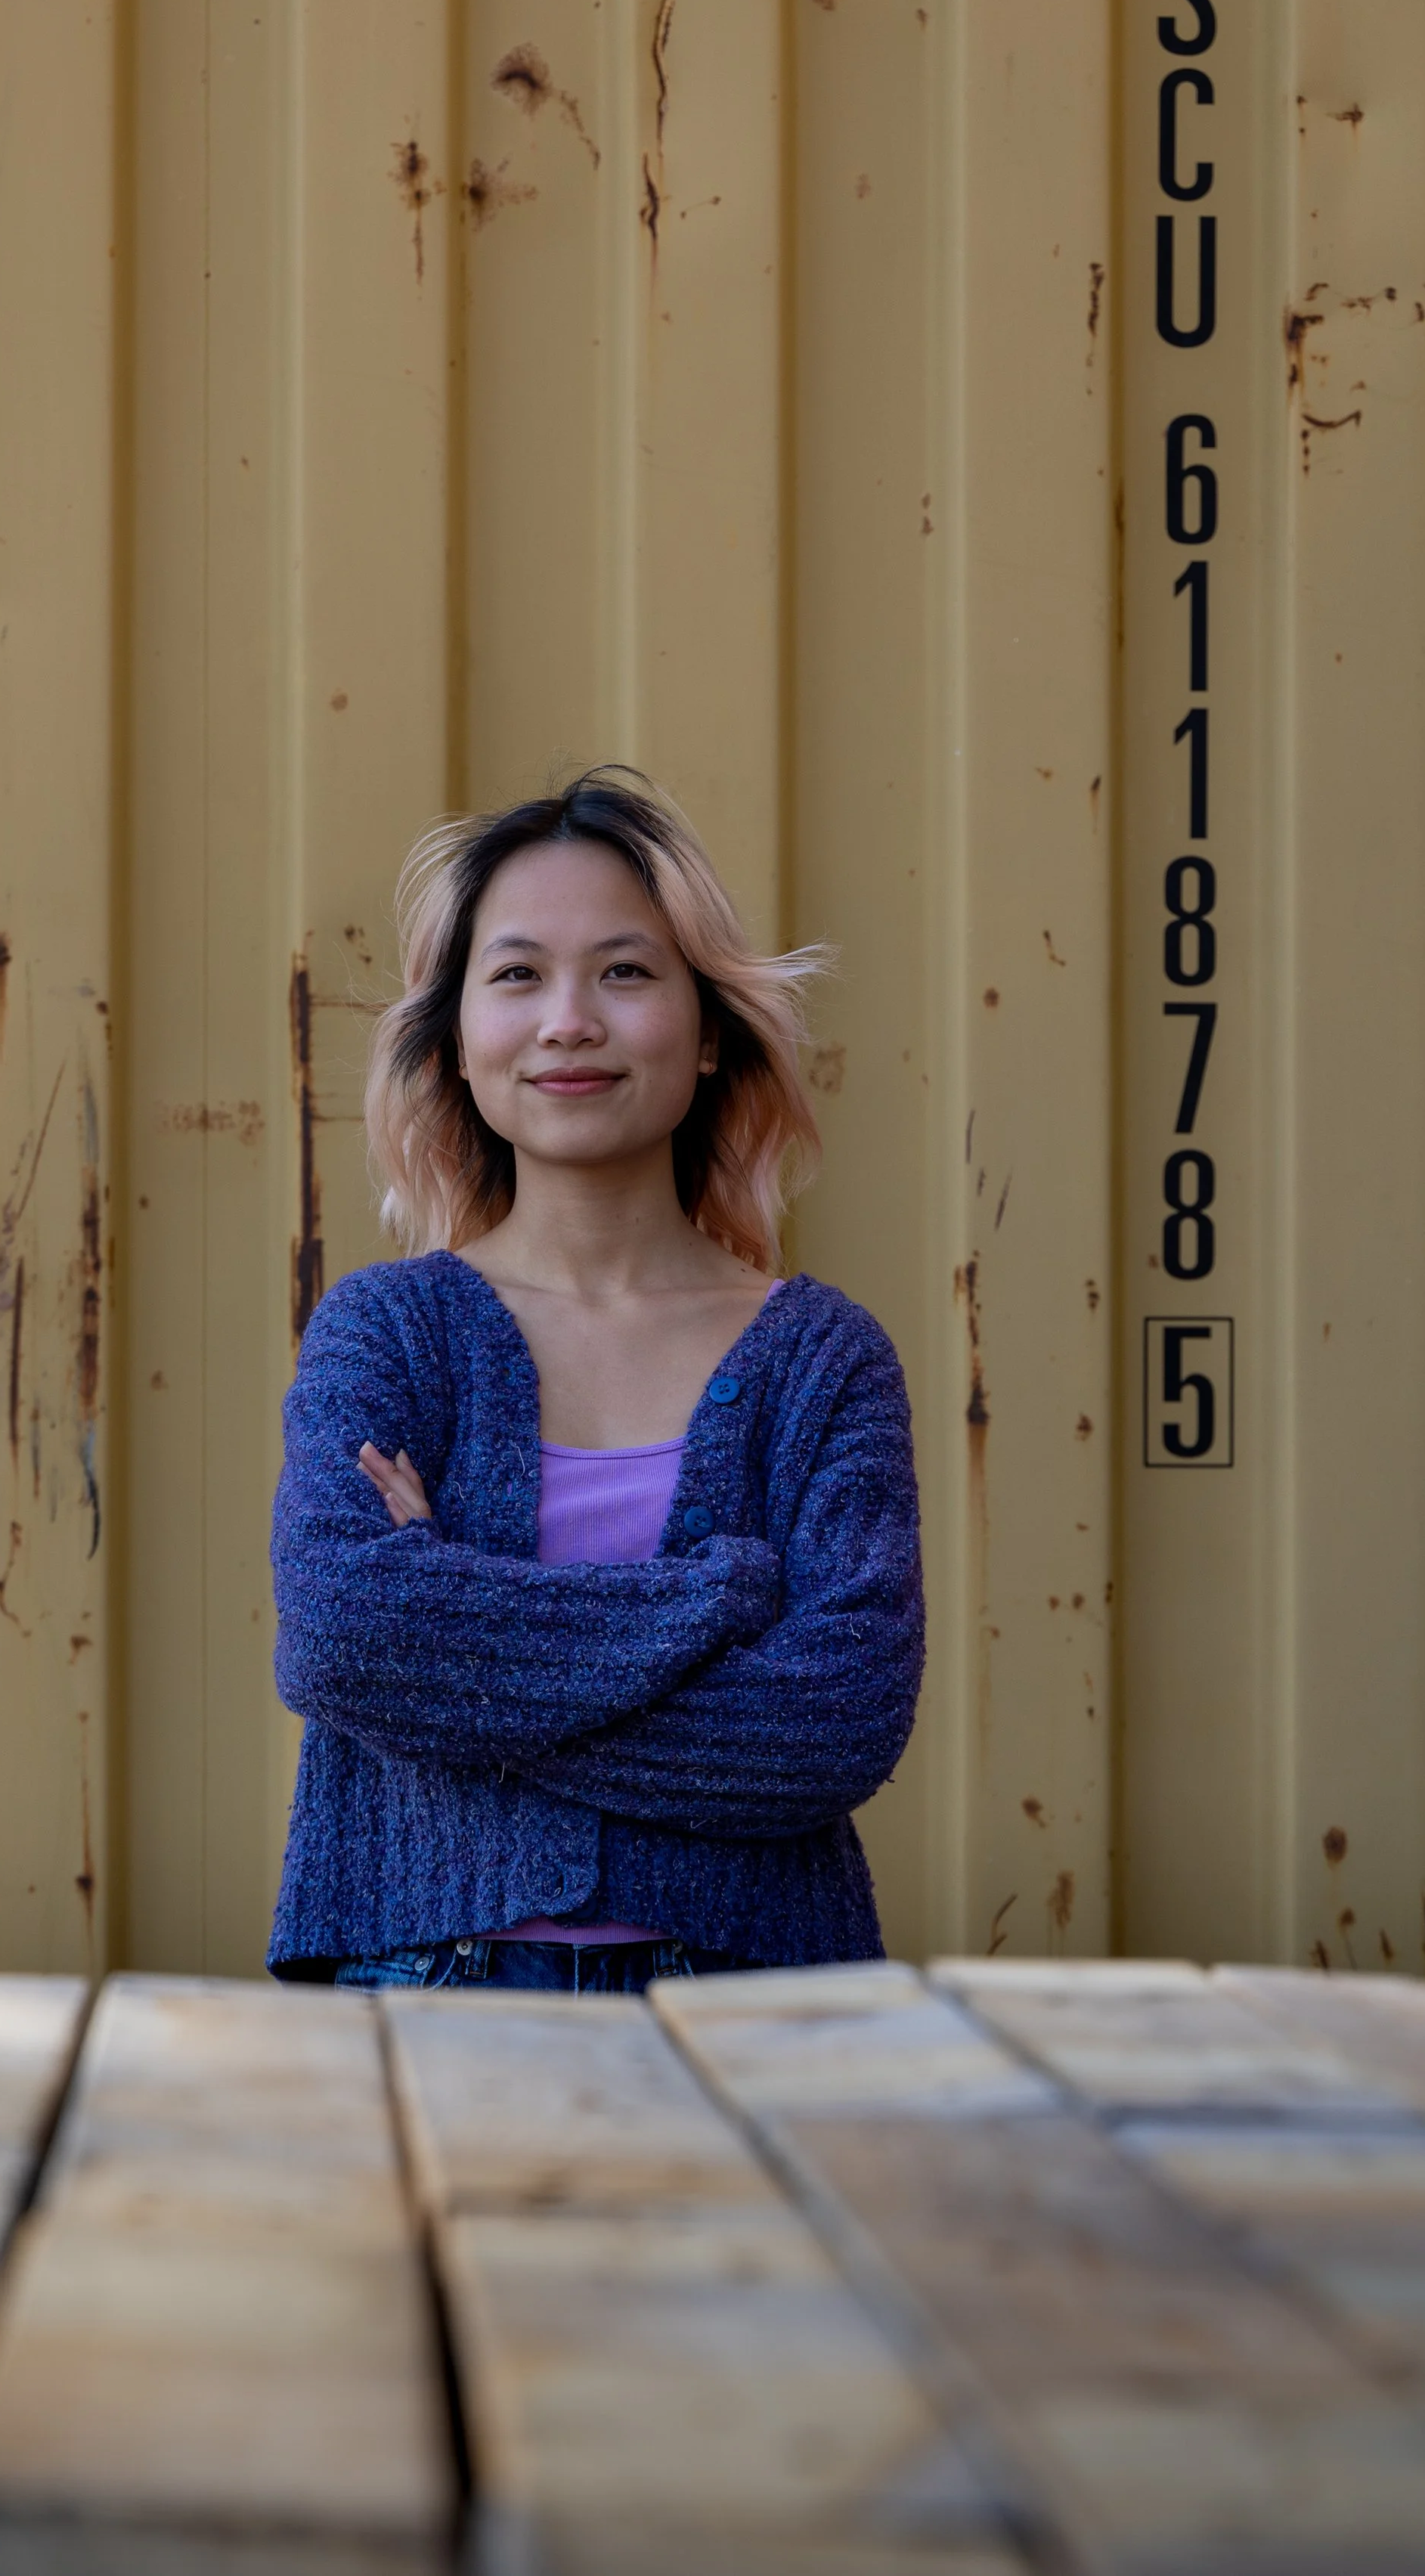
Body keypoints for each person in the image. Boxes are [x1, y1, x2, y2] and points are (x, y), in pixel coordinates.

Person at [267, 767, 923, 1993]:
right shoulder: (388, 1334)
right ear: (457, 1040)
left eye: (625, 971)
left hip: (754, 2006)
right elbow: (345, 1641)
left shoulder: (823, 1361)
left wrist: (462, 1660)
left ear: (711, 1027)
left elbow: (829, 1727)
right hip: (422, 2000)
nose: (569, 1019)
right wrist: (719, 1600)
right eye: (517, 975)